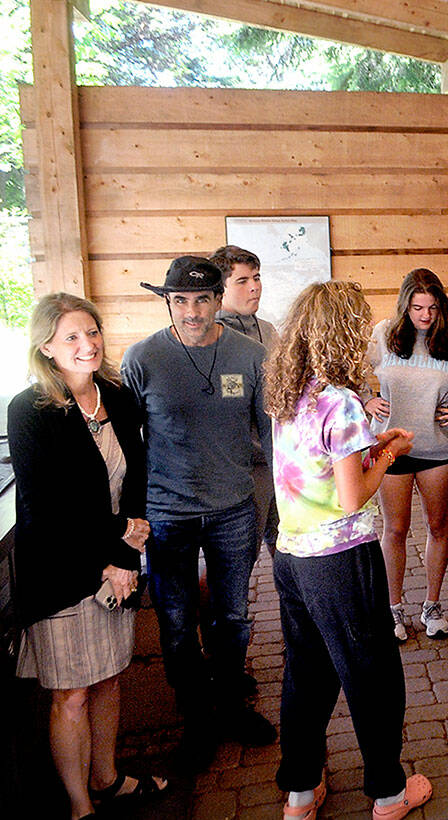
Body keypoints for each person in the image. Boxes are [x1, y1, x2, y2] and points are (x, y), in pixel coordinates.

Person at [264, 281, 430, 820]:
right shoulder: (342, 401)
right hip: (341, 559)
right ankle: (387, 793)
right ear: (346, 331)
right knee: (371, 673)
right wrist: (392, 453)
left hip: (292, 556)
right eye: (360, 324)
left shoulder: (288, 392)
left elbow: (318, 471)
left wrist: (375, 449)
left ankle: (301, 792)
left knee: (306, 673)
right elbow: (352, 494)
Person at [10, 294, 168, 819]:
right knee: (71, 694)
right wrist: (116, 544)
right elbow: (46, 507)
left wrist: (128, 551)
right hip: (62, 571)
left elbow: (138, 477)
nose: (87, 345)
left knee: (108, 677)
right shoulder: (29, 410)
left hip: (118, 563)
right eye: (72, 337)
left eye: (92, 332)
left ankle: (107, 777)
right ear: (46, 347)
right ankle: (81, 806)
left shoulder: (117, 398)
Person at [121, 256, 276, 771]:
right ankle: (197, 721)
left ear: (217, 300)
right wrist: (130, 519)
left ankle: (232, 706)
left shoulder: (251, 356)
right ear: (167, 301)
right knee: (177, 624)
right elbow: (128, 445)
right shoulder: (142, 359)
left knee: (232, 619)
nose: (192, 312)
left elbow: (272, 436)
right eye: (180, 301)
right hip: (167, 516)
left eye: (202, 299)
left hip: (234, 508)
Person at [364, 269, 448, 642]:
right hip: (392, 448)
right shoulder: (383, 334)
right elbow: (349, 372)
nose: (424, 316)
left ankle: (432, 605)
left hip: (438, 448)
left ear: (441, 308)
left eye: (431, 308)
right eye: (416, 307)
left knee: (438, 525)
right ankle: (393, 608)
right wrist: (366, 398)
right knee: (394, 529)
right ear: (404, 306)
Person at [210, 245, 280, 555]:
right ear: (219, 290)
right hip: (241, 473)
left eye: (257, 277)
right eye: (242, 281)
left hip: (282, 463)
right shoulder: (211, 338)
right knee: (239, 561)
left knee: (293, 554)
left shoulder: (269, 331)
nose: (254, 286)